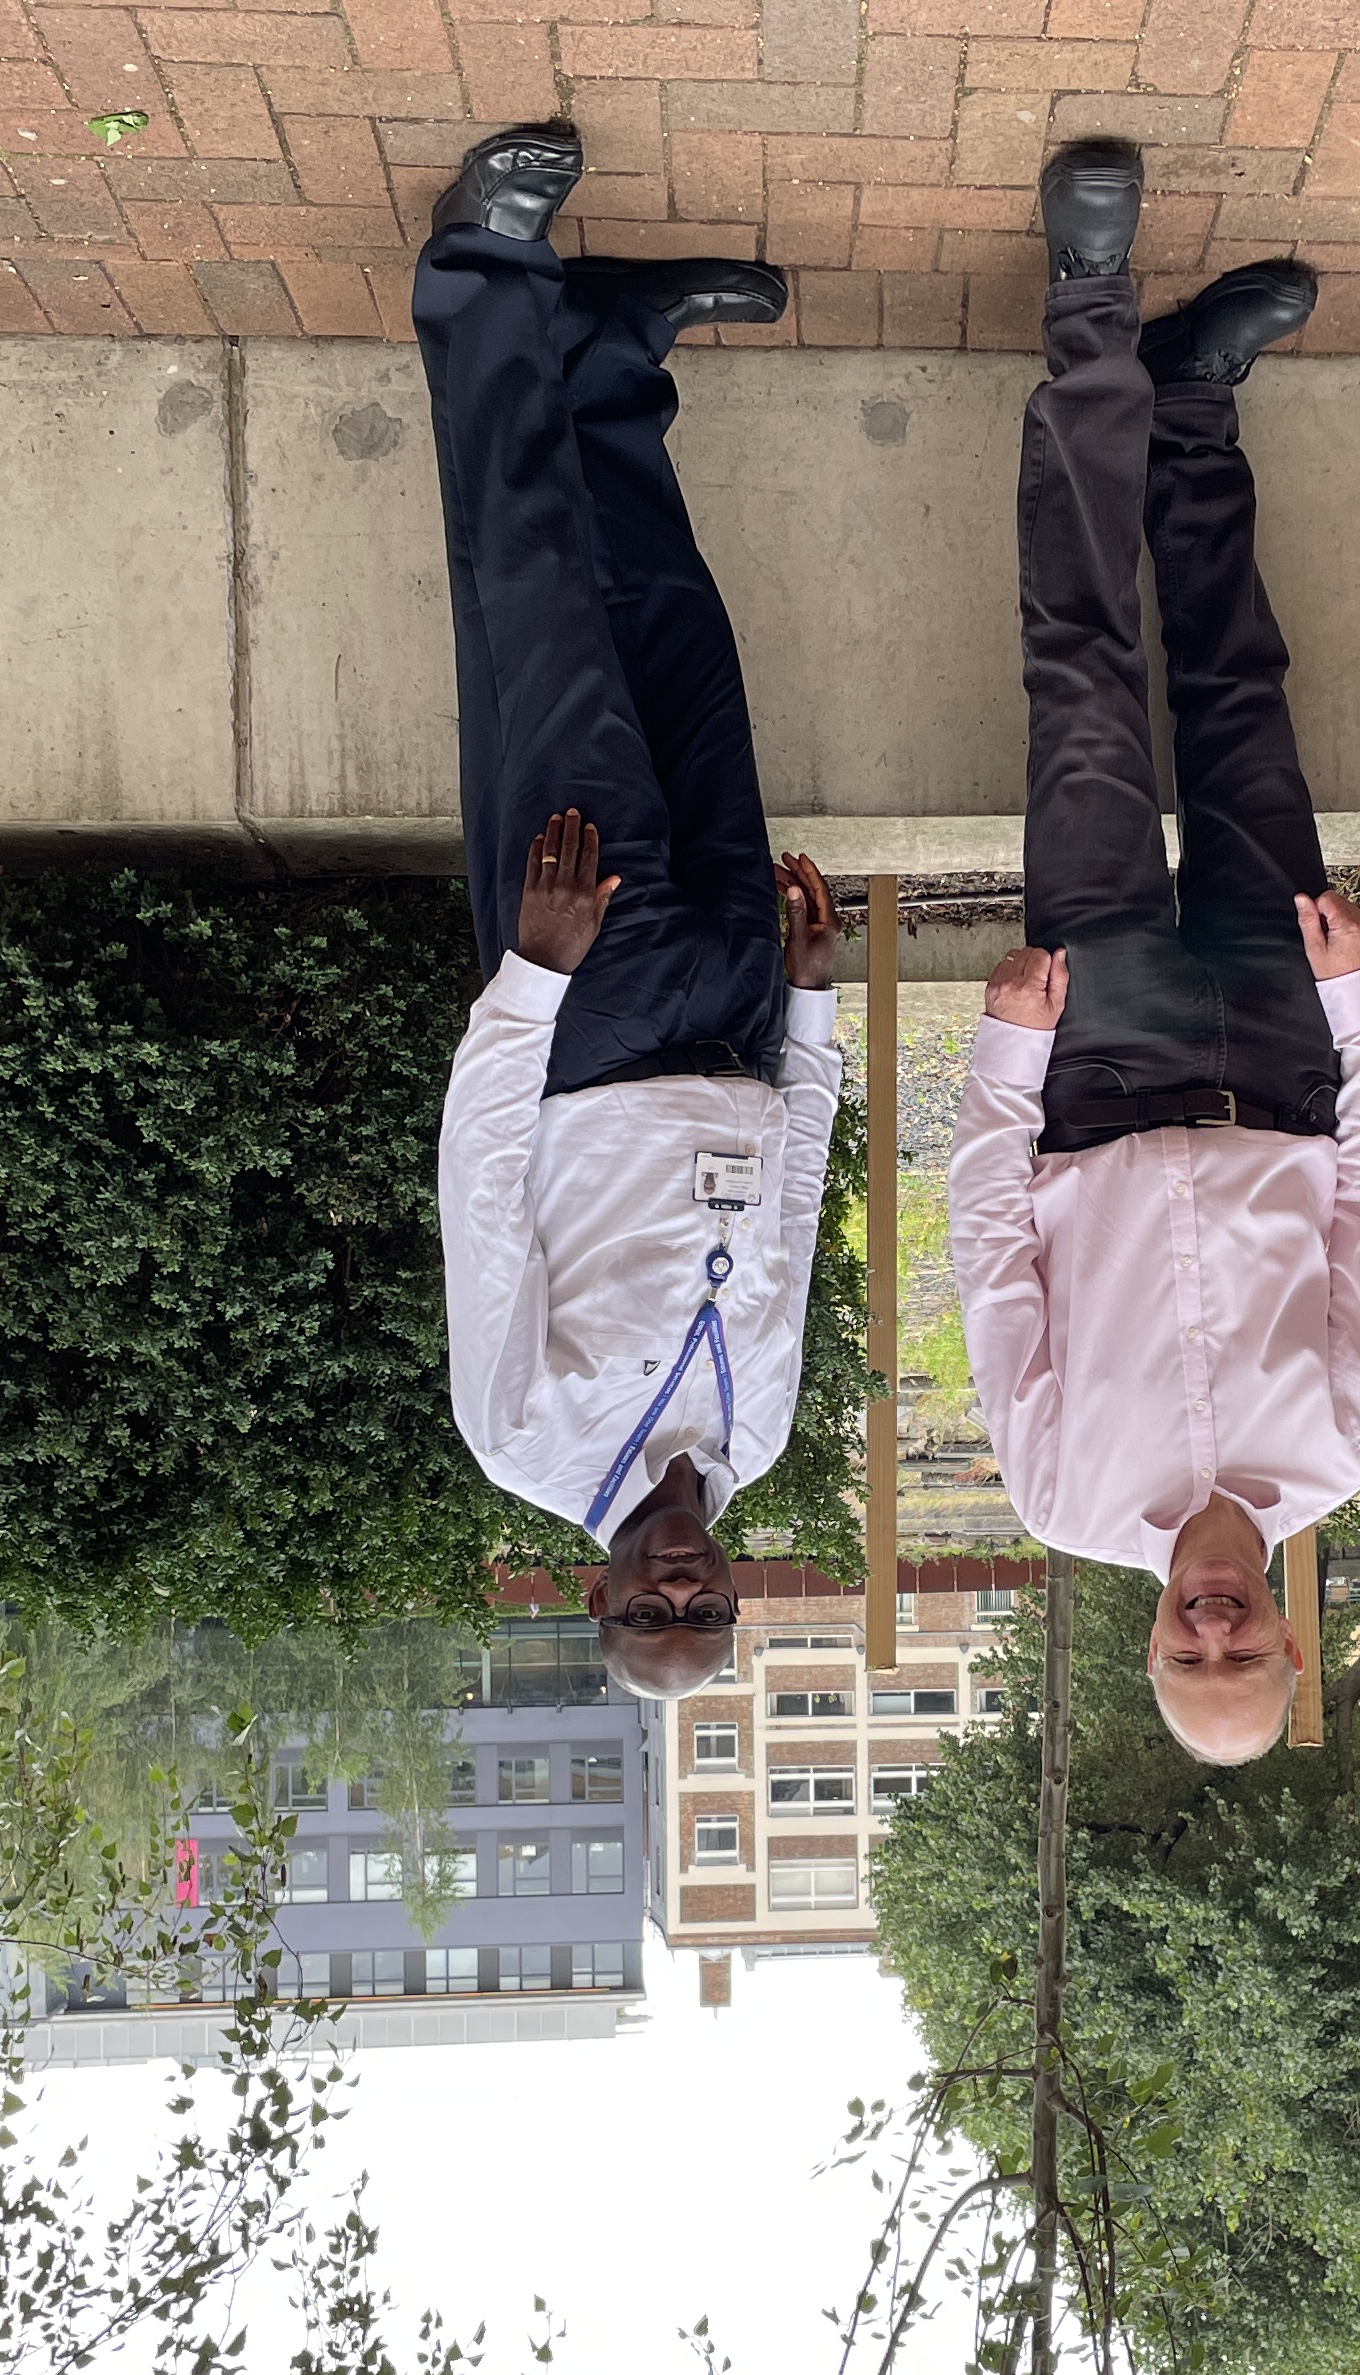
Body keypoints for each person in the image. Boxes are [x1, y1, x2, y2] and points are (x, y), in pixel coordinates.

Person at [951, 137, 1360, 1768]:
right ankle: (1198, 408)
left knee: (1080, 684)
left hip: (1093, 1063)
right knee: (1240, 705)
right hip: (1288, 1053)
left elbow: (989, 1258)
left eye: (1183, 1649)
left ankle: (1091, 309)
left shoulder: (1060, 1493)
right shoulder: (1345, 1455)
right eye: (1242, 1651)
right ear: (1291, 1637)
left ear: (1149, 1635)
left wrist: (1009, 1056)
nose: (1211, 1625)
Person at [423, 120, 840, 1702]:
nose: (680, 1598)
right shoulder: (767, 1435)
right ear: (738, 1598)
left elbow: (481, 1190)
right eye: (705, 1621)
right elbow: (794, 1216)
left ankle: (486, 267)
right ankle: (605, 360)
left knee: (546, 620)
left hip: (585, 997)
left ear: (586, 1594)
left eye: (645, 1619)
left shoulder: (522, 1438)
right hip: (734, 1005)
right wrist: (804, 1012)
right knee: (679, 644)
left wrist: (532, 975)